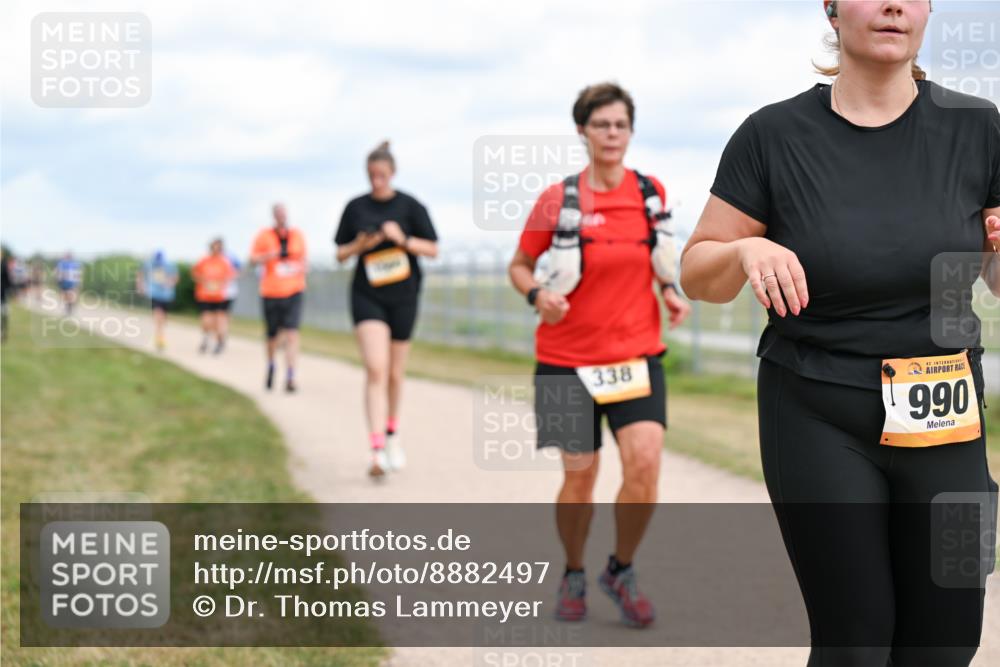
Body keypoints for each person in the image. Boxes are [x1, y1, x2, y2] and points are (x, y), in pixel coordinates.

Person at [680, 2, 999, 664]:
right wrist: (744, 253)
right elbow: (696, 272)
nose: (893, 5)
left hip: (943, 412)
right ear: (830, 6)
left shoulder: (979, 128)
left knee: (947, 642)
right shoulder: (772, 134)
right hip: (817, 408)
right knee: (856, 641)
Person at [508, 83, 691, 628]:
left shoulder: (650, 192)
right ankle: (572, 571)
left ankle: (621, 568)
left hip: (635, 358)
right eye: (601, 124)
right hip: (565, 361)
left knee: (645, 465)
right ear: (582, 132)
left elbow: (655, 261)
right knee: (580, 477)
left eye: (620, 125)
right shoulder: (557, 199)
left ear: (630, 132)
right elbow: (519, 265)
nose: (612, 134)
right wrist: (537, 294)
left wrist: (670, 293)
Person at [334, 141, 439, 478]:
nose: (376, 180)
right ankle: (376, 449)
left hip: (404, 295)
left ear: (391, 173)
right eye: (371, 175)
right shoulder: (355, 208)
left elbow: (433, 248)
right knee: (376, 369)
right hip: (368, 295)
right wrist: (359, 245)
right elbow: (339, 253)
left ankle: (393, 435)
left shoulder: (410, 206)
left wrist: (402, 239)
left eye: (381, 174)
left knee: (395, 373)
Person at [250, 203, 307, 392]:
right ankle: (271, 364)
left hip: (294, 290)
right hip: (271, 292)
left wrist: (300, 267)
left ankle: (290, 376)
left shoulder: (297, 235)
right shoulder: (264, 235)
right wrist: (269, 256)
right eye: (278, 213)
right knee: (272, 336)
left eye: (284, 213)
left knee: (292, 333)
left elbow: (304, 260)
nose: (282, 216)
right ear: (274, 216)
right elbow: (252, 259)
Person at [192, 239, 237, 355]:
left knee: (219, 321)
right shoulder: (204, 260)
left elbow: (230, 276)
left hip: (219, 296)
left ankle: (219, 342)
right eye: (214, 248)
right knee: (206, 320)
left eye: (219, 248)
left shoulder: (224, 262)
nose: (216, 250)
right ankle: (206, 338)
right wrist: (204, 281)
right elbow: (195, 274)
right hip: (205, 295)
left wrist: (220, 283)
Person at [136, 250, 179, 351]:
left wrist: (170, 283)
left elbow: (175, 277)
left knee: (163, 315)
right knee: (157, 313)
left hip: (166, 295)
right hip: (154, 294)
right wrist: (140, 286)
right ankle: (159, 336)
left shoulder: (169, 265)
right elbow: (140, 273)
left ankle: (160, 331)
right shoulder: (149, 264)